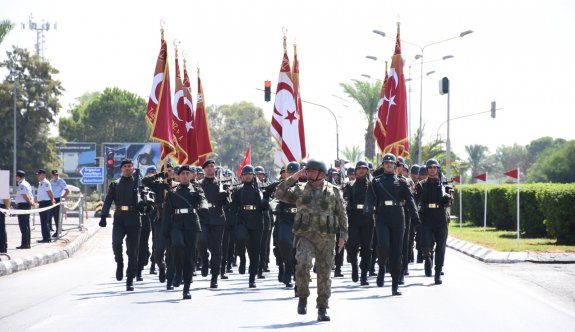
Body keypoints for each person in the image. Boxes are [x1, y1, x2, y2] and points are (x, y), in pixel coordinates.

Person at [275, 159, 348, 322]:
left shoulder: (334, 191)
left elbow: (342, 214)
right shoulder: (300, 189)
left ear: (321, 173)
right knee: (303, 263)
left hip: (327, 238)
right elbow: (279, 193)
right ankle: (302, 296)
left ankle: (322, 308)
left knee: (324, 273)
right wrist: (294, 177)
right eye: (306, 171)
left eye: (311, 171)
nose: (307, 173)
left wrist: (343, 236)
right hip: (305, 236)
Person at [364, 154, 419, 296]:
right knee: (383, 246)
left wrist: (415, 216)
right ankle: (381, 267)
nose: (388, 165)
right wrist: (368, 210)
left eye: (391, 163)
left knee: (397, 251)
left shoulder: (402, 182)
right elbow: (369, 198)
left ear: (396, 166)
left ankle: (395, 285)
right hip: (382, 216)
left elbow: (410, 200)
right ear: (382, 165)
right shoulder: (375, 182)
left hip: (398, 216)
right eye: (386, 163)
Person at [163, 165, 209, 299]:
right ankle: (178, 271)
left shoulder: (196, 189)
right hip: (177, 223)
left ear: (190, 175)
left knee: (189, 257)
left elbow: (203, 200)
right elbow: (167, 212)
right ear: (178, 175)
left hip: (192, 224)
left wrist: (204, 207)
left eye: (187, 173)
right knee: (177, 245)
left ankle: (186, 288)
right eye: (182, 173)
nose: (184, 175)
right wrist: (166, 230)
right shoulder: (173, 191)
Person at [99, 159, 142, 291]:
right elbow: (108, 201)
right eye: (125, 166)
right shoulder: (115, 184)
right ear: (121, 169)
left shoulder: (139, 183)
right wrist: (103, 216)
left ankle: (129, 280)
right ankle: (119, 263)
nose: (128, 168)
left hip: (134, 219)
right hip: (119, 219)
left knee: (132, 252)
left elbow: (147, 197)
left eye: (130, 166)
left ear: (133, 168)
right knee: (116, 243)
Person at [229, 165, 268, 288]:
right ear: (241, 177)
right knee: (240, 239)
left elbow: (265, 207)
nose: (247, 176)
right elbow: (233, 208)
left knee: (255, 251)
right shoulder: (238, 191)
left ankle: (252, 278)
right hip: (242, 220)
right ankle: (242, 259)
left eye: (250, 174)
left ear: (253, 176)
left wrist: (263, 200)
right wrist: (230, 223)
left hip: (256, 222)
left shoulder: (259, 190)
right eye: (245, 174)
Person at [415, 159, 452, 285]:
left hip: (440, 217)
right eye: (429, 167)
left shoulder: (445, 184)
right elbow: (417, 200)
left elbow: (450, 202)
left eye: (434, 167)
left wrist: (447, 199)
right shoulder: (421, 185)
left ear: (438, 169)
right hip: (426, 217)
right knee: (425, 244)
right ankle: (427, 257)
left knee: (440, 247)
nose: (432, 169)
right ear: (427, 169)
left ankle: (437, 273)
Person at [198, 159, 231, 288]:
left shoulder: (221, 184)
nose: (211, 168)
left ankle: (214, 277)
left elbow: (227, 203)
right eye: (208, 167)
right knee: (201, 241)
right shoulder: (199, 184)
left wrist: (227, 195)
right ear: (204, 169)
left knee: (216, 249)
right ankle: (204, 259)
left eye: (213, 166)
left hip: (217, 218)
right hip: (203, 217)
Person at [343, 161, 374, 286]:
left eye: (364, 168)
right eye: (359, 168)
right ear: (355, 171)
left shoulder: (372, 185)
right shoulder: (350, 185)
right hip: (353, 218)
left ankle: (364, 275)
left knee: (367, 248)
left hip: (368, 219)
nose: (361, 171)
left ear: (367, 171)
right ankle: (354, 267)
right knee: (352, 246)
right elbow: (345, 200)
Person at [142, 163, 173, 287]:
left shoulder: (177, 185)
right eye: (167, 171)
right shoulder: (159, 185)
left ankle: (170, 278)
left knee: (172, 251)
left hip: (174, 221)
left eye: (171, 171)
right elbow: (145, 180)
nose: (169, 172)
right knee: (158, 250)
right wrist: (160, 175)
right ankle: (161, 266)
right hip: (160, 221)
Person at [35, 169, 55, 243]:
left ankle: (47, 238)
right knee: (43, 221)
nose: (37, 176)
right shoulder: (41, 183)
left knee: (45, 221)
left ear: (43, 175)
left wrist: (52, 201)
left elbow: (50, 193)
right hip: (42, 203)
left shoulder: (46, 182)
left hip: (46, 203)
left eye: (39, 174)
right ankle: (45, 237)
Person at [15, 170, 34, 249]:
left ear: (18, 176)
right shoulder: (27, 183)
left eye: (16, 176)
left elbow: (25, 195)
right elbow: (30, 195)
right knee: (26, 225)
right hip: (26, 205)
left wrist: (30, 202)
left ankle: (24, 244)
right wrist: (31, 202)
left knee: (23, 225)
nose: (16, 177)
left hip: (23, 205)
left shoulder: (22, 185)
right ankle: (27, 243)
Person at [49, 170, 69, 238]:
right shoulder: (50, 181)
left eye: (57, 175)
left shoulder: (61, 181)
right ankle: (50, 229)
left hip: (58, 199)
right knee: (50, 216)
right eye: (54, 175)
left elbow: (67, 191)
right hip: (51, 199)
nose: (56, 176)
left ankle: (58, 231)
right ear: (52, 175)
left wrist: (62, 197)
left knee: (57, 216)